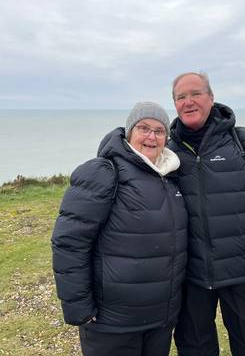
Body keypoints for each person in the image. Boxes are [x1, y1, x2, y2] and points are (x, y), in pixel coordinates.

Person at [168, 72, 245, 356]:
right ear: (174, 104)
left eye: (195, 93)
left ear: (211, 98)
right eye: (180, 97)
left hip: (244, 274)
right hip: (192, 278)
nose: (188, 102)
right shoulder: (168, 152)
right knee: (194, 348)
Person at [51, 101, 188, 356]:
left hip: (160, 319)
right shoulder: (103, 172)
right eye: (143, 128)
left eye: (159, 131)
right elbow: (70, 242)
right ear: (129, 133)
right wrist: (79, 306)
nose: (151, 136)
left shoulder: (170, 176)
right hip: (113, 322)